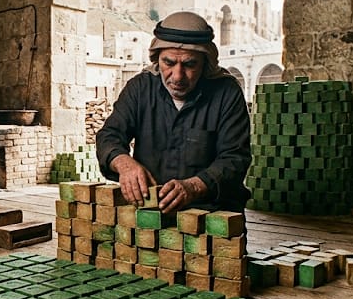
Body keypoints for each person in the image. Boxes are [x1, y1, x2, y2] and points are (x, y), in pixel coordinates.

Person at [95, 11, 252, 214]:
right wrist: (124, 164)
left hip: (213, 214)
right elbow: (109, 136)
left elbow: (235, 158)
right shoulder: (140, 88)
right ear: (157, 59)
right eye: (168, 63)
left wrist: (194, 187)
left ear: (205, 62)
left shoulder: (227, 93)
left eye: (189, 64)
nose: (177, 76)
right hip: (150, 212)